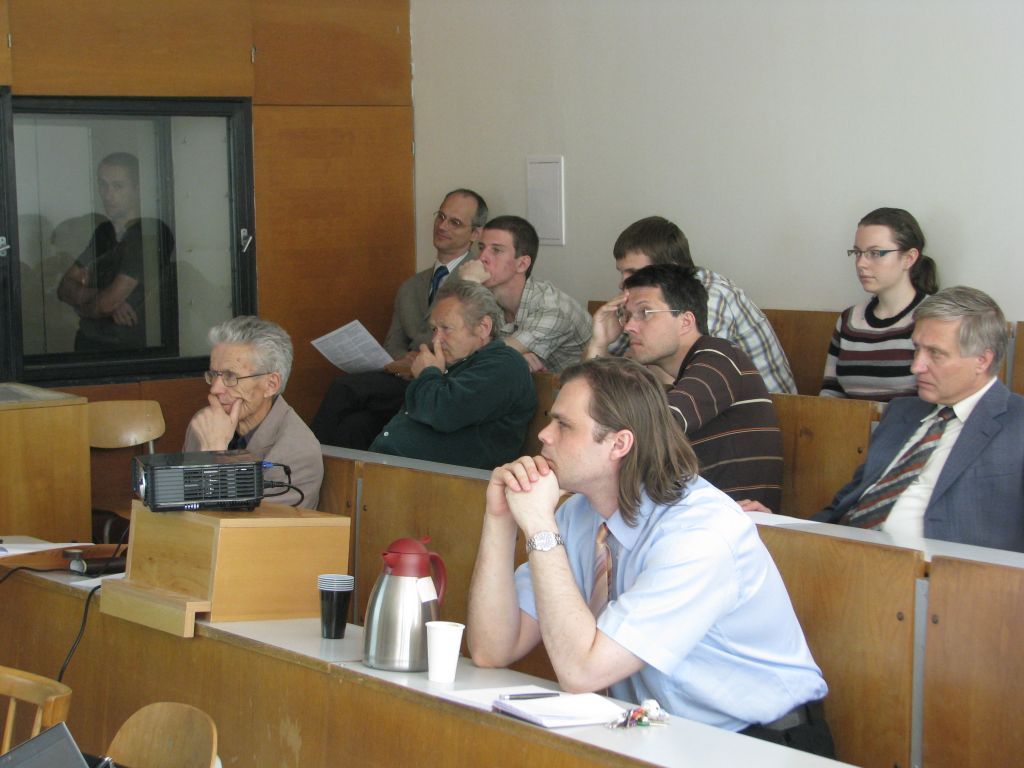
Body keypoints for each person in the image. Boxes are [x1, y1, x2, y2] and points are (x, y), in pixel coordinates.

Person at [467, 357, 832, 754]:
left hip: (762, 744)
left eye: (564, 425)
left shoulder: (700, 534)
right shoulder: (579, 514)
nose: (544, 434)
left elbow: (582, 671)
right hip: (658, 733)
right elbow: (492, 649)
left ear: (619, 444)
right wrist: (500, 519)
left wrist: (540, 526)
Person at [814, 287, 1024, 552]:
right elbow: (848, 502)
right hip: (847, 556)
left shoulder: (1017, 423)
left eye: (935, 353)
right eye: (916, 349)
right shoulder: (901, 412)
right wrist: (789, 531)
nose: (916, 367)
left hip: (944, 571)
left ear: (982, 360)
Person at [310, 189, 487, 449]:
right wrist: (403, 360)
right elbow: (392, 343)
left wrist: (421, 359)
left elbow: (469, 341)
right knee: (356, 425)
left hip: (441, 381)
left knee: (344, 388)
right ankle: (326, 473)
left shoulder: (477, 281)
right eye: (441, 217)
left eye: (455, 222)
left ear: (475, 233)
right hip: (401, 377)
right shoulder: (410, 286)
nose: (442, 226)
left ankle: (302, 464)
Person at [615, 263, 782, 508]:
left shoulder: (720, 355)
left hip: (740, 521)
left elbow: (663, 421)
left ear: (685, 321)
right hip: (700, 515)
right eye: (626, 315)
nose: (628, 326)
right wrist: (598, 342)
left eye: (645, 312)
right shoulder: (684, 377)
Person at [586, 216, 795, 393]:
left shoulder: (711, 297)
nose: (622, 283)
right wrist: (599, 343)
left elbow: (677, 381)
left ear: (670, 268)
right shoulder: (642, 299)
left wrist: (628, 364)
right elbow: (607, 376)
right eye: (621, 272)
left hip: (780, 415)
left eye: (633, 272)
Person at [369, 279, 537, 469]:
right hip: (397, 469)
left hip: (446, 481)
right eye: (434, 329)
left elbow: (443, 413)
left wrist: (427, 373)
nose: (436, 340)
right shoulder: (460, 363)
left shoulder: (504, 365)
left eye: (446, 328)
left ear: (483, 327)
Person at [184, 316, 323, 509]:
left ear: (271, 385)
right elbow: (179, 502)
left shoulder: (297, 452)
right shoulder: (206, 424)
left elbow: (241, 524)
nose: (215, 389)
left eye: (230, 376)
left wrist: (215, 452)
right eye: (214, 375)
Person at [57, 152, 175, 352]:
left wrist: (83, 306)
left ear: (137, 189)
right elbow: (65, 287)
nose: (107, 194)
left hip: (129, 350)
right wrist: (100, 297)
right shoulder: (104, 232)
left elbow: (107, 304)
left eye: (118, 186)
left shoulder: (148, 233)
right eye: (103, 185)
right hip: (89, 344)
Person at [821, 207, 939, 400]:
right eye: (857, 252)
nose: (861, 264)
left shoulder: (934, 319)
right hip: (848, 420)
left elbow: (939, 399)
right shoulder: (849, 320)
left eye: (875, 253)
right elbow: (830, 394)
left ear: (909, 258)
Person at [460, 215, 591, 373]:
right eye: (481, 247)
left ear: (522, 264)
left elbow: (484, 360)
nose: (482, 258)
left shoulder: (552, 307)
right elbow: (451, 343)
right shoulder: (486, 297)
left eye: (496, 250)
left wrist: (469, 284)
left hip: (584, 386)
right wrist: (508, 357)